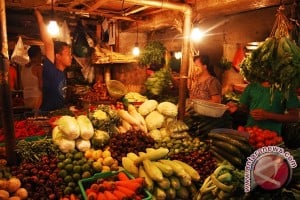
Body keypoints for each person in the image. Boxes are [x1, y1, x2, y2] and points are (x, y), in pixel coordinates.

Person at [34, 9, 72, 111]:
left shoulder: (62, 73)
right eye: (68, 53)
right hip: (46, 115)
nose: (71, 57)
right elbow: (49, 43)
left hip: (58, 115)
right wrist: (40, 18)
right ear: (58, 56)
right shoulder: (50, 71)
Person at [228, 81, 299, 134]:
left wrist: (268, 115)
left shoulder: (286, 89)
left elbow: (294, 117)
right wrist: (235, 107)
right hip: (250, 132)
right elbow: (244, 108)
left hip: (272, 137)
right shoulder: (252, 86)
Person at [21, 45, 43, 111]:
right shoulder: (38, 68)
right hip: (37, 98)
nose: (41, 56)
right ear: (38, 54)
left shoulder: (24, 68)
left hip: (26, 98)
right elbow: (41, 86)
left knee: (29, 118)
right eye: (41, 53)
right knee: (36, 118)